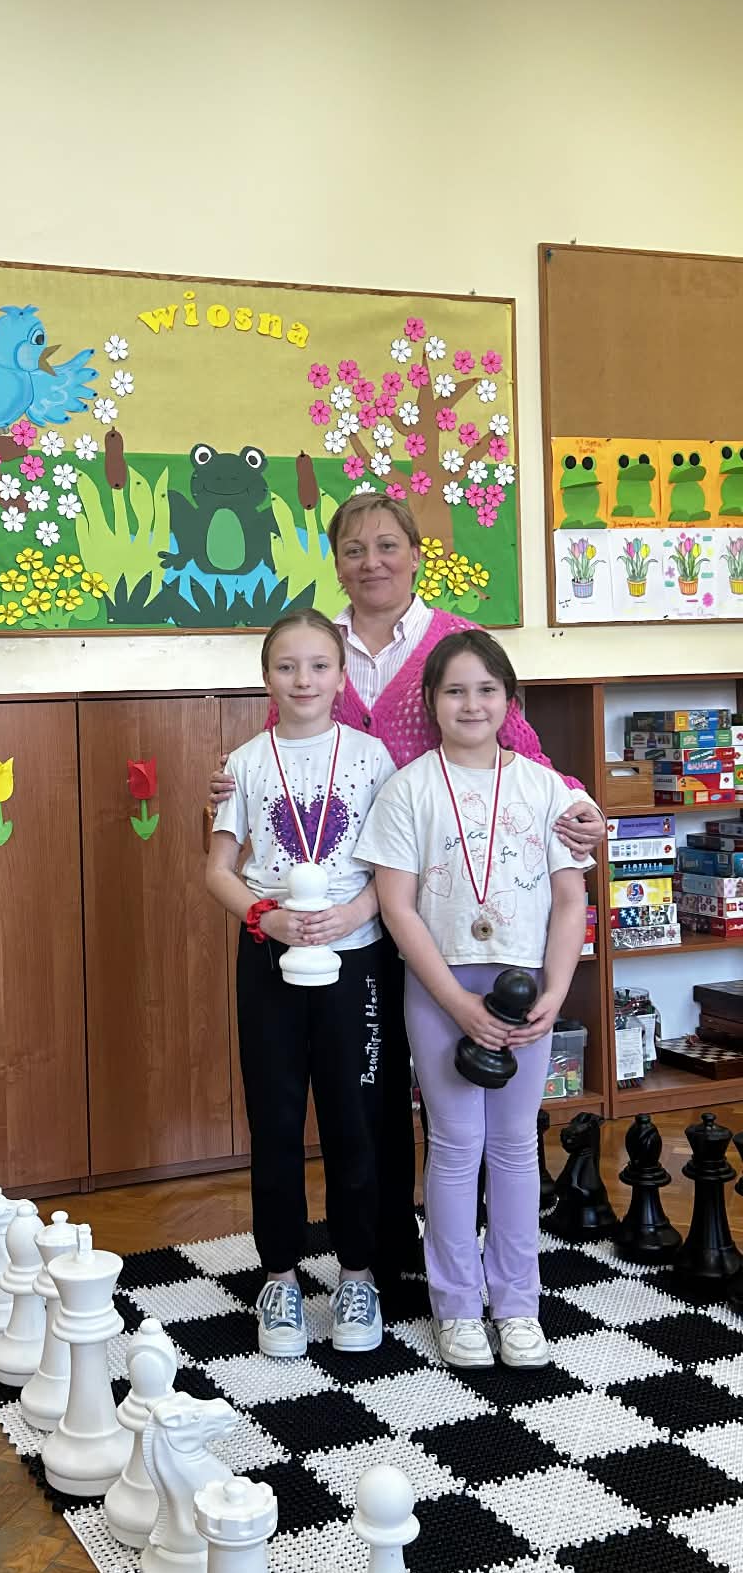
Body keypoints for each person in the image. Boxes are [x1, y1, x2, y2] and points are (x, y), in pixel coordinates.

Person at [207, 496, 605, 1290]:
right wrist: (228, 788)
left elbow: (522, 756)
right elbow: (283, 756)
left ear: (417, 554)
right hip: (354, 909)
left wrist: (581, 808)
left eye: (387, 545)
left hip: (442, 904)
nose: (372, 562)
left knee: (429, 1089)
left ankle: (458, 1260)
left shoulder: (454, 645)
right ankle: (380, 1255)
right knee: (372, 1088)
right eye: (354, 549)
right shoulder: (317, 646)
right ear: (336, 562)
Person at [357, 629, 591, 1370]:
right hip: (440, 988)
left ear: (509, 700)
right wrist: (456, 1002)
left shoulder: (548, 789)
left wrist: (557, 989)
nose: (471, 704)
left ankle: (517, 1305)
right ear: (431, 701)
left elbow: (570, 899)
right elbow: (396, 907)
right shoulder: (408, 789)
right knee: (456, 1145)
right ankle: (457, 1306)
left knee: (516, 1146)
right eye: (455, 690)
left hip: (525, 988)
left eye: (486, 690)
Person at [206, 610, 394, 1359]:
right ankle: (280, 1276)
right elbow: (218, 870)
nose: (304, 680)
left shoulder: (373, 757)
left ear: (342, 678)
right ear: (266, 679)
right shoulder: (245, 762)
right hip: (270, 958)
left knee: (356, 1120)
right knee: (276, 1118)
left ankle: (357, 1275)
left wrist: (351, 914)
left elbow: (394, 869)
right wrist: (267, 917)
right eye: (287, 667)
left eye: (319, 666)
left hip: (358, 959)